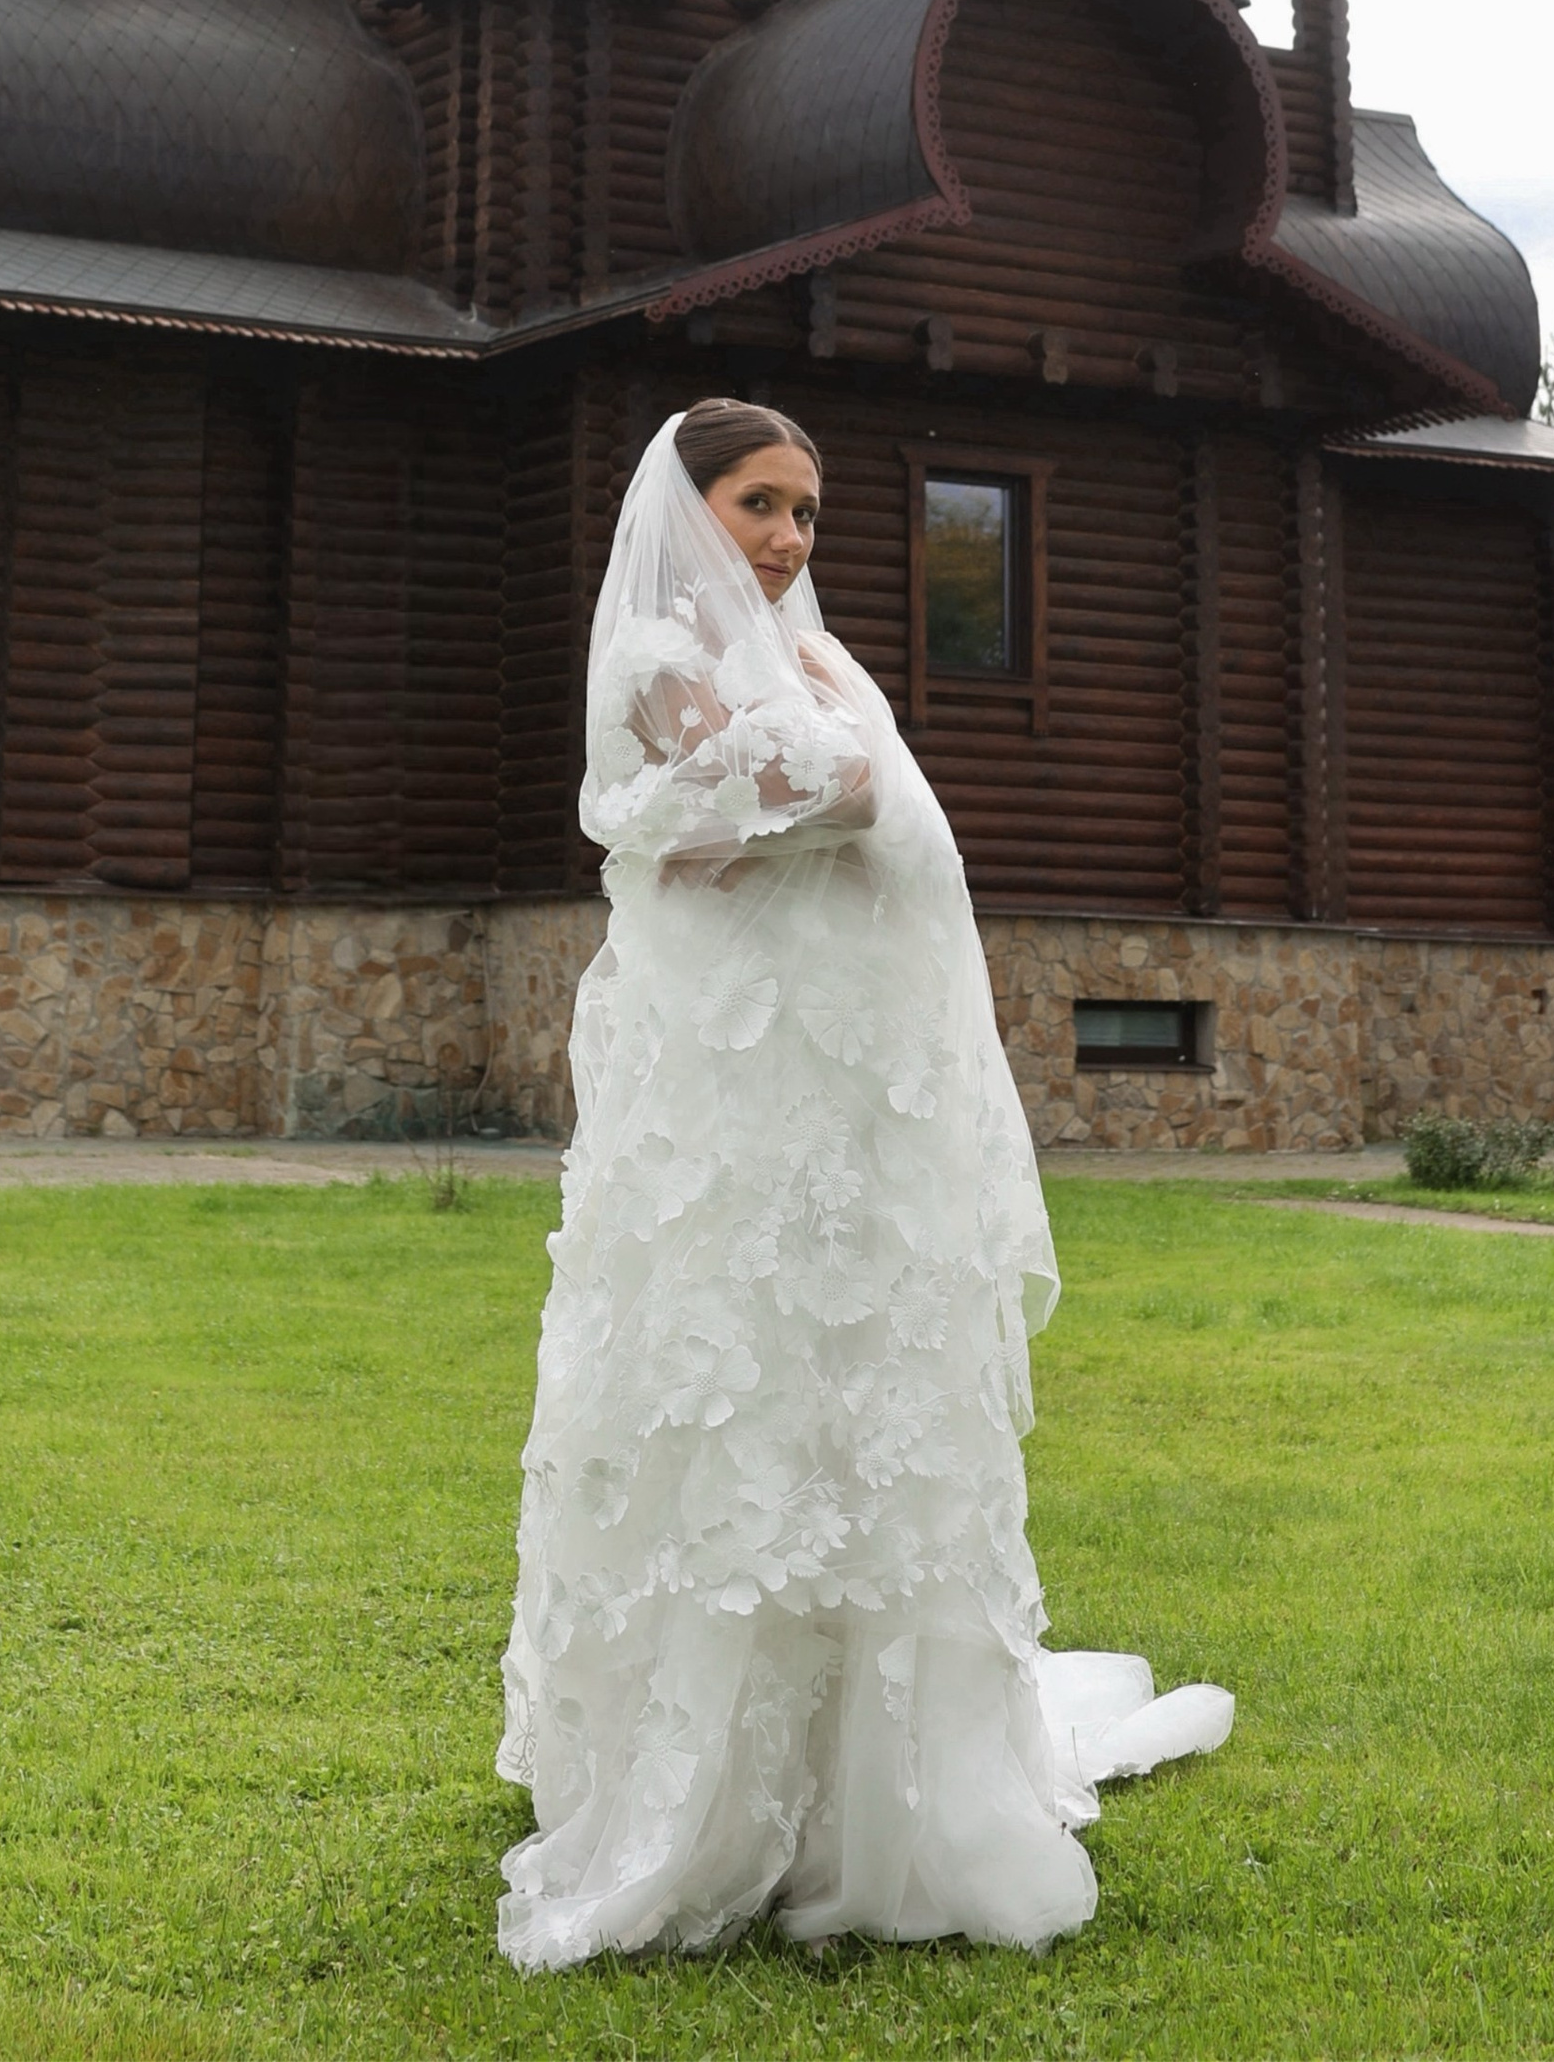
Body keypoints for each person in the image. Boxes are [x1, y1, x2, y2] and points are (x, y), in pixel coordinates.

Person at [496, 399, 1232, 1970]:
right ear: (691, 510)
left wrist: (830, 767)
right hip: (732, 1097)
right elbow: (768, 805)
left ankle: (871, 1781)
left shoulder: (803, 663)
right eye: (761, 505)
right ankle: (702, 1781)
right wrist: (839, 769)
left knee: (844, 1397)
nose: (788, 541)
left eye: (808, 516)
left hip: (830, 1094)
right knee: (728, 1392)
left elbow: (814, 803)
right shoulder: (658, 662)